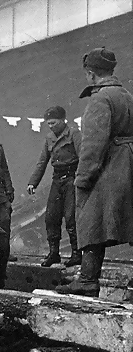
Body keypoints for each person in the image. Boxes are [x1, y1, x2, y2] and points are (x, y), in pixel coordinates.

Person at [58, 48, 133, 297]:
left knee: (91, 217)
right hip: (129, 165)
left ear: (90, 74)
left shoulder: (99, 100)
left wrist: (83, 178)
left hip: (111, 166)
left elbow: (93, 146)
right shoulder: (127, 95)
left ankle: (88, 279)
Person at [27, 106, 83, 268]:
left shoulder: (74, 134)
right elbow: (42, 162)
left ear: (62, 120)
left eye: (53, 122)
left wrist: (81, 179)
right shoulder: (49, 138)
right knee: (51, 217)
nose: (50, 126)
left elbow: (83, 157)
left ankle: (76, 253)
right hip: (57, 180)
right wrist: (33, 182)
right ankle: (54, 253)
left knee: (71, 217)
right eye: (48, 123)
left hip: (72, 179)